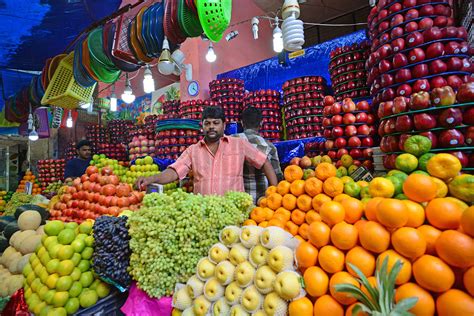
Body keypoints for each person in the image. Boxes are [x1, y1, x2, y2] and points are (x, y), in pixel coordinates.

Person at [136, 106, 278, 195]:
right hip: (204, 215)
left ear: (224, 125)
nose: (211, 127)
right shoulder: (192, 151)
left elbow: (264, 161)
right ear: (202, 126)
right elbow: (174, 172)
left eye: (216, 123)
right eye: (207, 123)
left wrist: (275, 192)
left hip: (234, 212)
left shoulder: (239, 144)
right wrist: (151, 179)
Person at [234, 107, 283, 203]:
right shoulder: (270, 147)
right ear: (261, 123)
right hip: (263, 203)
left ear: (242, 123)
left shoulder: (232, 141)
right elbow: (278, 177)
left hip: (238, 202)